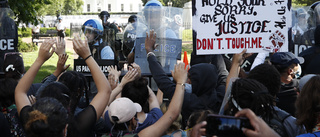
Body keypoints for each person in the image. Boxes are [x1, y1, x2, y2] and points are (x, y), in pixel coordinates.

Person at [15, 37, 112, 137]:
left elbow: (19, 91)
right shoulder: (78, 126)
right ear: (65, 130)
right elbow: (105, 91)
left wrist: (40, 59)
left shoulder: (30, 121)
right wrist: (87, 56)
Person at [145, 30, 224, 128]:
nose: (186, 80)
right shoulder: (220, 97)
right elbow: (224, 75)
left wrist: (149, 52)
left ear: (201, 82)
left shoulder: (189, 101)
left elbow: (162, 81)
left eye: (190, 78)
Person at [270, 52, 304, 116]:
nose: (298, 66)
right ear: (290, 71)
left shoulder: (267, 87)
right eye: (296, 64)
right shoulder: (302, 86)